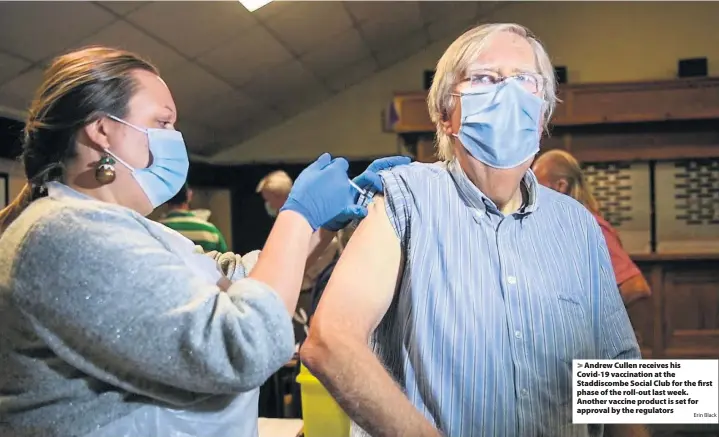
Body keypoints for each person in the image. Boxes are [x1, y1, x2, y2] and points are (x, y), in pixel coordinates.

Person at [0, 46, 409, 437]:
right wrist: (297, 216)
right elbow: (243, 342)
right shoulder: (64, 237)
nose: (174, 137)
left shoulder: (121, 227)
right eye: (162, 123)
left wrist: (321, 224)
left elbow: (234, 281)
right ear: (103, 130)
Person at [302, 23, 649, 437]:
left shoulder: (577, 226)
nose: (508, 94)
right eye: (485, 78)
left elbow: (618, 379)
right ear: (447, 114)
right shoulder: (406, 198)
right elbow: (330, 342)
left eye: (526, 81)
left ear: (542, 117)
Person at [533, 149, 652, 306]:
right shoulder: (558, 229)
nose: (533, 196)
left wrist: (591, 319)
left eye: (538, 188)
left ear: (560, 186)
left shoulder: (590, 228)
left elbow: (635, 287)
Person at [256, 169, 343, 344]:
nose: (267, 204)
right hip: (295, 286)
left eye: (268, 199)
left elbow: (326, 247)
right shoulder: (286, 219)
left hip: (309, 291)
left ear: (278, 196)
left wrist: (298, 275)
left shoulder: (308, 216)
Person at [158, 183, 228, 253]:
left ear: (166, 197)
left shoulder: (156, 230)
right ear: (189, 195)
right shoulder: (211, 231)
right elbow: (225, 260)